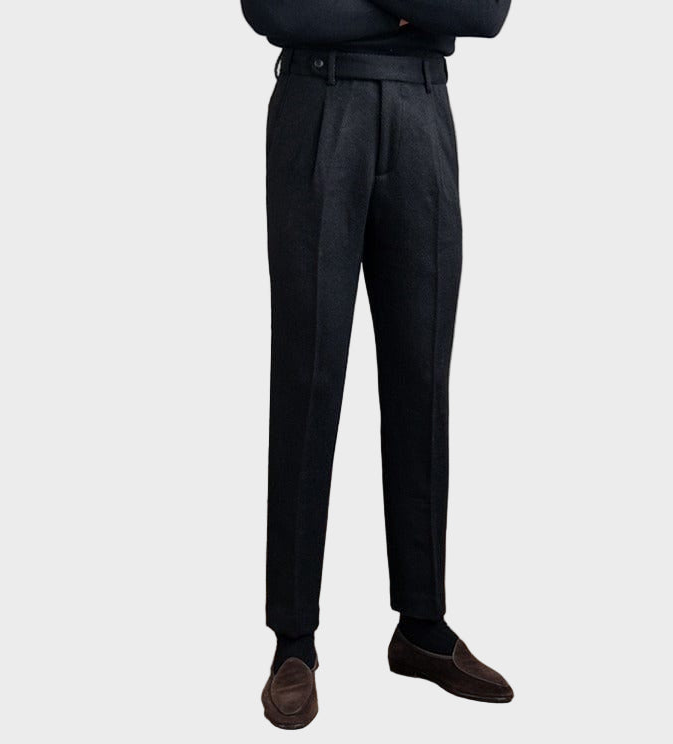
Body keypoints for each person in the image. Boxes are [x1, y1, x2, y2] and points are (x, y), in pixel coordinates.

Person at [241, 0, 514, 729]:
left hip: (424, 109)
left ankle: (422, 626)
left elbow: (485, 10)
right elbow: (270, 8)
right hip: (317, 101)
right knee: (309, 374)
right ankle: (293, 642)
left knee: (422, 375)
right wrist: (414, 13)